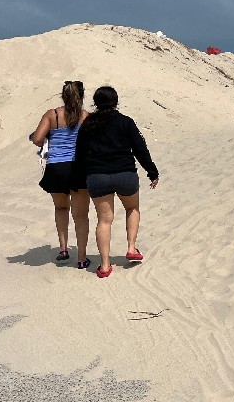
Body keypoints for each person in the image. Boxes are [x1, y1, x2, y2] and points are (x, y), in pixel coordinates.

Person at [73, 85, 160, 278]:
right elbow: (140, 149)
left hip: (97, 177)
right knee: (132, 208)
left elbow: (79, 155)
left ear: (95, 103)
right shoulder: (125, 122)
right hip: (125, 174)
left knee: (104, 220)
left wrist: (79, 179)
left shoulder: (87, 124)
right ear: (115, 102)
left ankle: (104, 266)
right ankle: (131, 247)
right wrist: (152, 171)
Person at [29, 81, 91, 267]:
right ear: (82, 96)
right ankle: (81, 258)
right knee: (81, 215)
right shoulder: (86, 116)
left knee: (61, 208)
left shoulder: (52, 114)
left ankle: (63, 249)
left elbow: (38, 139)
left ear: (63, 96)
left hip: (56, 168)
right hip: (78, 167)